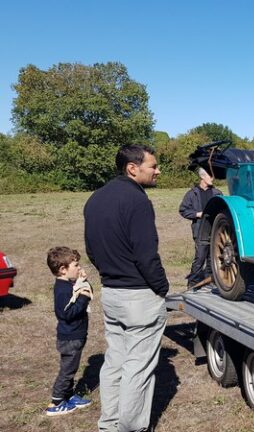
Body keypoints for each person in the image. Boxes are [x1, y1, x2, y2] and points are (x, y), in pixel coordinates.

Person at [84, 144, 169, 432]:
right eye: (153, 166)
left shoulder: (95, 199)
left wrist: (110, 274)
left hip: (111, 293)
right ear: (132, 168)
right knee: (138, 368)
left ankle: (109, 425)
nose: (158, 171)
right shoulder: (137, 201)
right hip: (139, 296)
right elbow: (146, 254)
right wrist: (161, 287)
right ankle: (131, 428)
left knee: (115, 362)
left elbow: (91, 250)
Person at [45, 246, 94, 416]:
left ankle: (68, 395)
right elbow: (66, 314)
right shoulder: (62, 289)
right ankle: (56, 402)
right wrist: (83, 297)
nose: (79, 268)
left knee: (71, 369)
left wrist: (84, 282)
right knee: (67, 371)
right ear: (63, 269)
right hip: (70, 338)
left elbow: (86, 289)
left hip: (76, 335)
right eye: (76, 265)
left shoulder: (70, 284)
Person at [179, 167, 221, 288]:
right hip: (200, 229)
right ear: (202, 177)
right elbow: (183, 210)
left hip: (215, 229)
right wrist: (197, 214)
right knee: (200, 257)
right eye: (210, 175)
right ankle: (192, 283)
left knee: (212, 257)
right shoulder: (192, 194)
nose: (213, 178)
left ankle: (210, 281)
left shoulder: (217, 193)